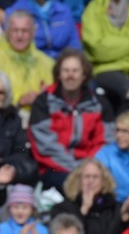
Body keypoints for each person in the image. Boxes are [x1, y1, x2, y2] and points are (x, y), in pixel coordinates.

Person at [28, 48, 111, 188]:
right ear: (59, 74)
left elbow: (105, 142)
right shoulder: (43, 103)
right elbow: (46, 147)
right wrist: (76, 170)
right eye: (66, 71)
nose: (70, 75)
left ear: (84, 75)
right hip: (55, 168)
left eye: (75, 71)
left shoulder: (99, 103)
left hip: (91, 167)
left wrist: (88, 167)